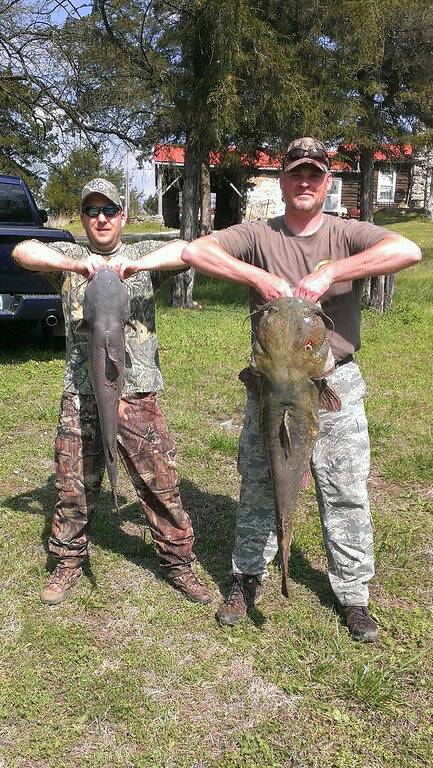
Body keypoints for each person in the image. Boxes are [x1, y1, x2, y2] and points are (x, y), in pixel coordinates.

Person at [181, 137, 422, 642]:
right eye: (296, 175)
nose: (305, 183)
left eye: (315, 175)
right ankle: (246, 577)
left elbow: (408, 248)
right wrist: (256, 276)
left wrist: (335, 269)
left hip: (333, 381)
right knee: (259, 482)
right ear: (283, 181)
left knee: (345, 490)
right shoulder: (258, 233)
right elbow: (194, 250)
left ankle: (353, 595)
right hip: (268, 385)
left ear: (327, 182)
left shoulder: (347, 231)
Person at [12, 177, 217, 606]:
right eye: (91, 211)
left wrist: (137, 267)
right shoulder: (69, 257)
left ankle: (177, 562)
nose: (100, 218)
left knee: (162, 486)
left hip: (139, 393)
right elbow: (21, 251)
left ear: (123, 215)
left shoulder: (142, 255)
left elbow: (189, 249)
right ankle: (68, 561)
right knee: (72, 486)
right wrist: (76, 268)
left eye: (109, 210)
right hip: (81, 393)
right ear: (83, 217)